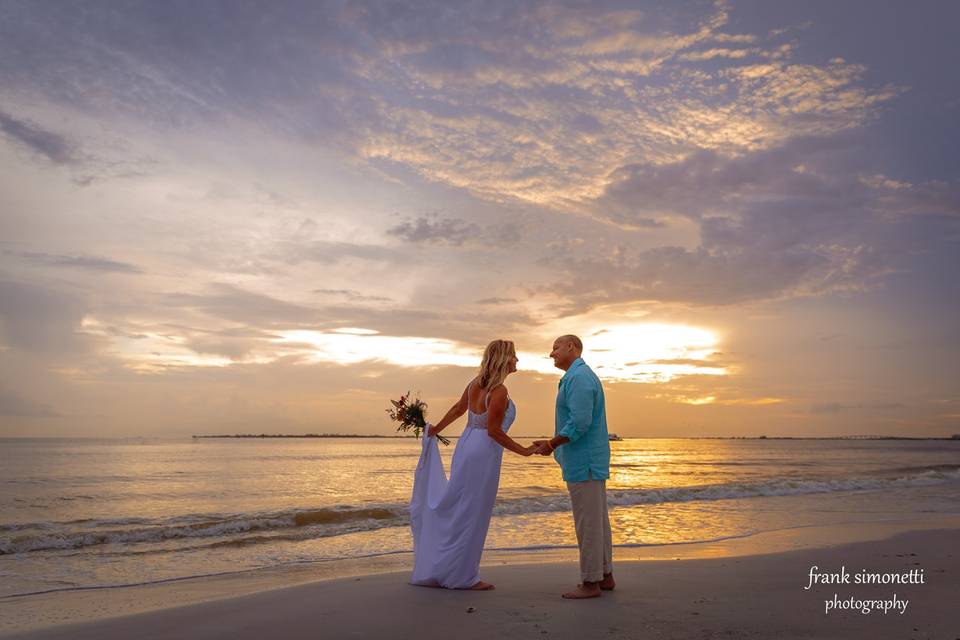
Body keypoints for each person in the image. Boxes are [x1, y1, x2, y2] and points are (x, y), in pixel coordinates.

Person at [409, 339, 537, 590]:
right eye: (514, 356)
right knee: (474, 512)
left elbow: (458, 410)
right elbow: (494, 432)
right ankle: (464, 577)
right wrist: (524, 451)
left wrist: (435, 430)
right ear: (503, 359)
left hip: (466, 446)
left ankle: (449, 569)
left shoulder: (474, 384)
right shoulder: (499, 391)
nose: (517, 361)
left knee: (462, 509)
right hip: (483, 453)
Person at [533, 334, 615, 599]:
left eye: (556, 347)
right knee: (597, 520)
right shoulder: (577, 377)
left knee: (588, 523)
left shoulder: (579, 377)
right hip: (586, 460)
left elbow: (580, 422)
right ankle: (605, 576)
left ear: (571, 347)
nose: (552, 353)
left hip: (585, 461)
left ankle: (590, 582)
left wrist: (552, 443)